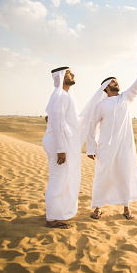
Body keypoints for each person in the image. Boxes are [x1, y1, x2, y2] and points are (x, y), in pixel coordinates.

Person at [81, 54, 137, 220]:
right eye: (113, 82)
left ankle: (126, 208)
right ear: (106, 88)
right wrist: (91, 148)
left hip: (124, 146)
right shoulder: (100, 106)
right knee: (102, 176)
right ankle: (97, 208)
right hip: (105, 147)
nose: (117, 83)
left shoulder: (126, 98)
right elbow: (91, 126)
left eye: (117, 81)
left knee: (125, 175)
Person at [42, 66, 82, 229]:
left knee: (61, 178)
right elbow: (57, 123)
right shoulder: (60, 95)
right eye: (68, 73)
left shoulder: (63, 95)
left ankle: (56, 211)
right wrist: (61, 150)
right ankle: (52, 218)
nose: (73, 74)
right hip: (58, 143)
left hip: (60, 142)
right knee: (58, 179)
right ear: (59, 77)